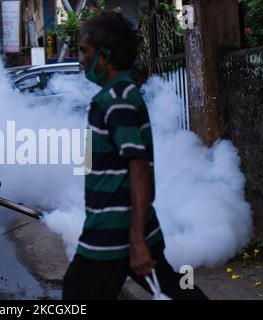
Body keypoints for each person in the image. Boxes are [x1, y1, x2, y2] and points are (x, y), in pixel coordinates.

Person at [62, 13, 208, 300]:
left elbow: (138, 167)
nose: (80, 59)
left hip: (113, 233)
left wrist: (136, 238)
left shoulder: (116, 99)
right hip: (128, 227)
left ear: (104, 56)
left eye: (84, 51)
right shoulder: (121, 94)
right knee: (175, 288)